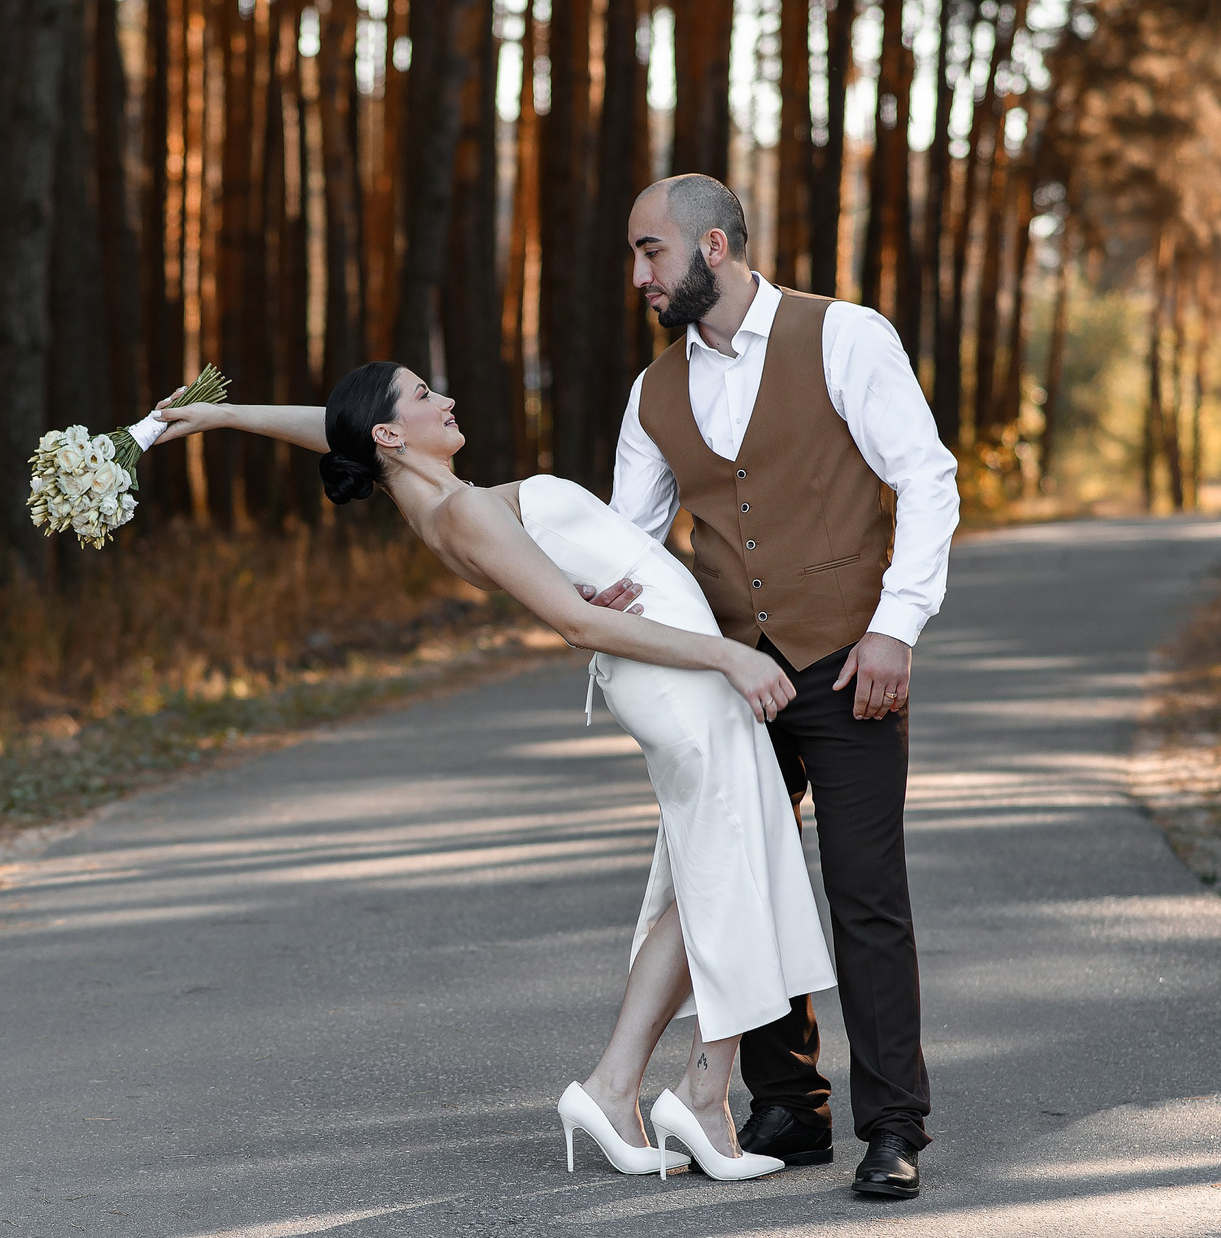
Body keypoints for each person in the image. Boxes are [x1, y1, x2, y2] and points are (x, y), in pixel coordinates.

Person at [153, 362, 837, 1182]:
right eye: (421, 395)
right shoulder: (463, 506)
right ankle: (694, 1090)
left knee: (717, 865)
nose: (447, 398)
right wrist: (727, 654)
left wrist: (228, 416)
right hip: (680, 676)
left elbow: (341, 428)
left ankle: (624, 1087)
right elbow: (579, 621)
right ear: (391, 433)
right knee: (729, 858)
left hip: (671, 675)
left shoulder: (433, 499)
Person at [606, 174, 959, 1200]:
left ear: (711, 248)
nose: (639, 275)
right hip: (733, 682)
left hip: (850, 663)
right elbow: (628, 552)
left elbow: (925, 478)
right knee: (732, 888)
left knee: (864, 895)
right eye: (636, 257)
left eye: (650, 252)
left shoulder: (843, 337)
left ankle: (892, 1126)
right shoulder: (652, 395)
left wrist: (896, 627)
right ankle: (785, 1106)